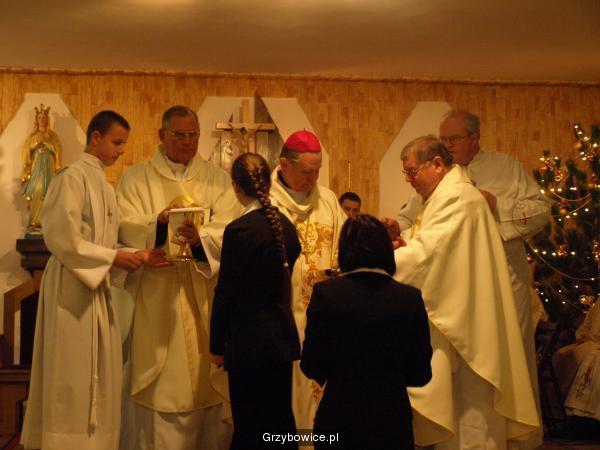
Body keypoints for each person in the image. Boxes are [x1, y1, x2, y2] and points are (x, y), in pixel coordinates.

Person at [387, 110, 549, 447]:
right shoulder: (442, 190)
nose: (449, 145)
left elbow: (429, 254)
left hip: (484, 292)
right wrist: (398, 236)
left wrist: (381, 264)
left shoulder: (475, 185)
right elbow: (420, 229)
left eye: (454, 139)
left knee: (476, 389)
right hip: (461, 290)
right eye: (444, 139)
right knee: (460, 388)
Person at [20, 111, 163, 450]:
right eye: (116, 142)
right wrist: (113, 258)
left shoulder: (105, 185)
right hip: (70, 289)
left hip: (95, 288)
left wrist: (138, 255)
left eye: (123, 144)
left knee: (99, 372)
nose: (121, 151)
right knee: (70, 371)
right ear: (95, 137)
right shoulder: (71, 177)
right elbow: (62, 238)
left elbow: (103, 244)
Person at [116, 105, 239, 450]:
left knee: (206, 379)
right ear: (162, 135)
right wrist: (158, 224)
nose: (187, 142)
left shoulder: (216, 178)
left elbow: (230, 226)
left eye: (193, 135)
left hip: (203, 292)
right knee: (158, 384)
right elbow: (124, 223)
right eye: (179, 135)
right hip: (158, 293)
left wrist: (200, 239)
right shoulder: (136, 178)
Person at [301, 214, 432, 449]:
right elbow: (420, 373)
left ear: (344, 250)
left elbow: (311, 364)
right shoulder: (409, 298)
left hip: (338, 417)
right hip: (392, 420)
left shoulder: (327, 294)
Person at [210, 153, 302, 449]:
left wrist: (216, 345)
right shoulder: (285, 226)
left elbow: (226, 292)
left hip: (247, 343)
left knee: (250, 426)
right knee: (279, 422)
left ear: (236, 186)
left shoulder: (239, 230)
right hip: (280, 340)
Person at [268, 130, 348, 430]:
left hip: (323, 318)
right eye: (306, 172)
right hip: (282, 320)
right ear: (284, 165)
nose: (312, 179)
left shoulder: (328, 200)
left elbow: (344, 248)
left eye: (317, 172)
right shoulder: (266, 203)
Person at [553, 300, 600, 420]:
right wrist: (582, 336)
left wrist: (592, 338)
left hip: (595, 346)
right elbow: (586, 325)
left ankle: (579, 413)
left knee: (588, 359)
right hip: (589, 343)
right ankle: (556, 406)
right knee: (560, 354)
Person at [21, 104, 63, 232]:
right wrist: (35, 144)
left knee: (49, 192)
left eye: (44, 118)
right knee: (36, 190)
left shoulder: (53, 136)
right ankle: (35, 221)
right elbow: (26, 151)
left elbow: (58, 151)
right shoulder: (32, 136)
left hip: (49, 170)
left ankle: (47, 222)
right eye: (39, 118)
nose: (42, 120)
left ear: (47, 120)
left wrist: (46, 143)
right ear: (36, 120)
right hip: (36, 170)